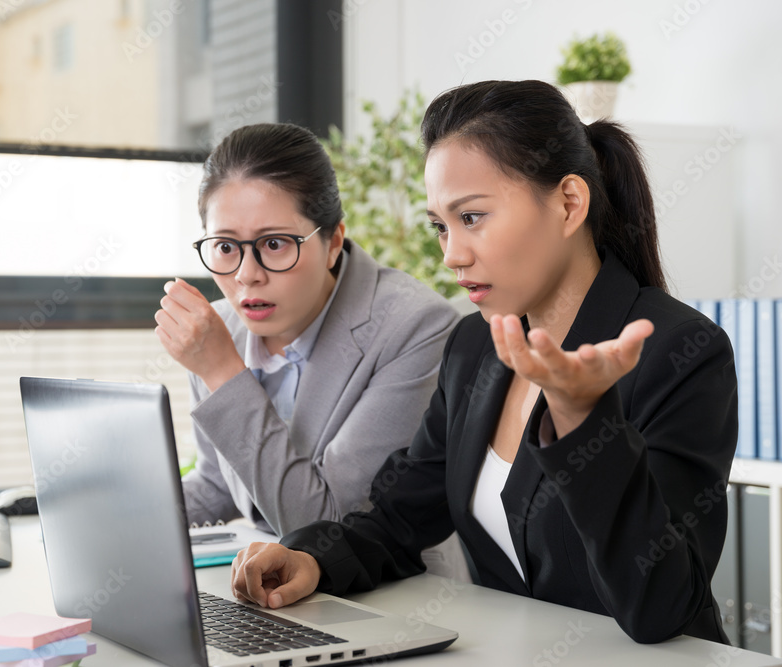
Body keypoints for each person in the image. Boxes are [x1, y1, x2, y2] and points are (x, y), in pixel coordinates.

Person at [229, 81, 739, 645]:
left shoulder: (680, 350)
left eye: (472, 217)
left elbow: (662, 606)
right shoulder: (475, 345)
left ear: (569, 203)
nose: (451, 255)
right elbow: (400, 518)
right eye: (441, 226)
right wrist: (313, 558)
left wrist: (582, 420)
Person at [155, 122, 461, 541]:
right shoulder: (223, 325)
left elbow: (330, 525)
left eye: (276, 243)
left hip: (382, 595)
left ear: (334, 241)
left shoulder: (414, 327)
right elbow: (219, 487)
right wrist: (122, 512)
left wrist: (224, 373)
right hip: (265, 582)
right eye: (225, 247)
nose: (247, 276)